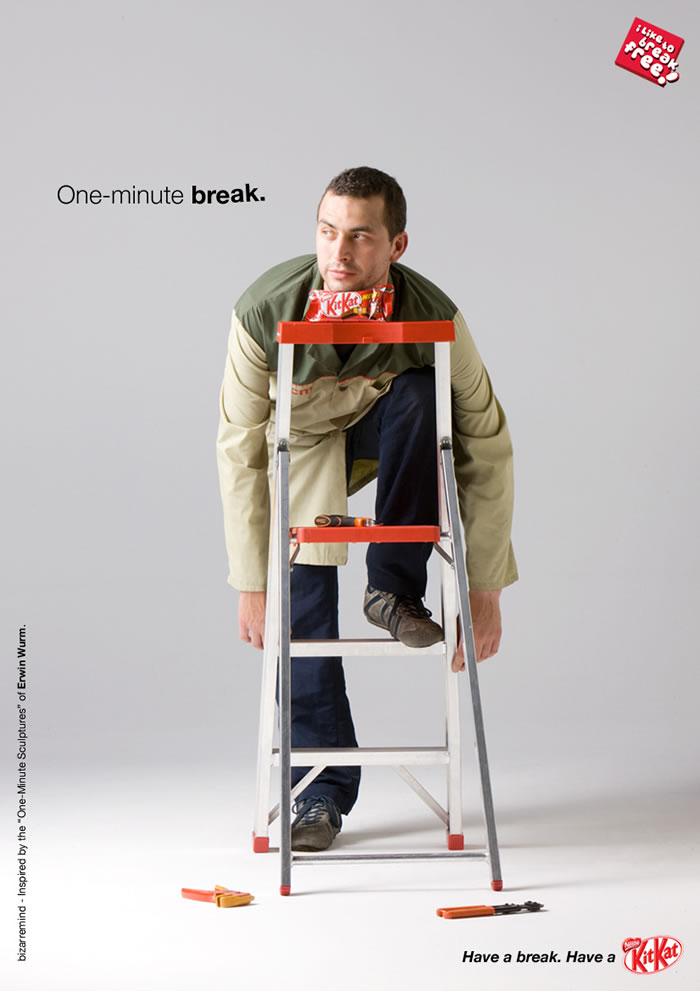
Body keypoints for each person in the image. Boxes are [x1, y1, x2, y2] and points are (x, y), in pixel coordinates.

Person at [216, 166, 517, 851]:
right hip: (301, 447)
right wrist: (253, 581)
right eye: (328, 232)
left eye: (360, 236)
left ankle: (392, 588)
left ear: (396, 245)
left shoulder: (434, 313)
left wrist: (485, 585)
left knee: (423, 393)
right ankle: (320, 790)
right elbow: (238, 449)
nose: (340, 252)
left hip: (385, 435)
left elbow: (486, 441)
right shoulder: (262, 310)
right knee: (305, 611)